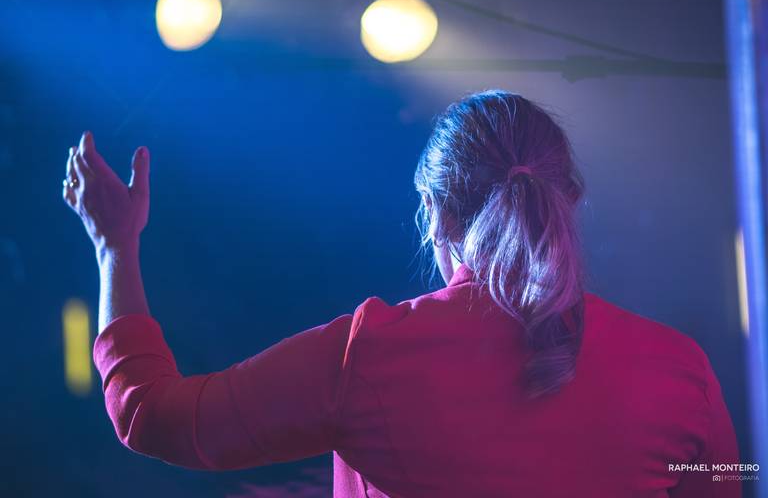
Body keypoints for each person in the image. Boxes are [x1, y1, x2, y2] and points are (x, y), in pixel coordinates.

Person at [63, 91, 741, 497]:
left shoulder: (369, 358)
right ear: (570, 204)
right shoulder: (681, 370)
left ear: (436, 216)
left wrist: (114, 247)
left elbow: (151, 416)